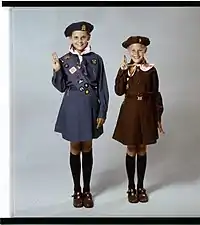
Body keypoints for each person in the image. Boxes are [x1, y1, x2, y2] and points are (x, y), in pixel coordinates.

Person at [51, 21, 109, 208]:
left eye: (83, 37)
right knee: (75, 147)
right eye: (76, 37)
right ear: (70, 39)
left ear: (89, 38)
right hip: (72, 107)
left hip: (91, 107)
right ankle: (77, 190)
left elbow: (103, 88)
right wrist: (57, 70)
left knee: (88, 147)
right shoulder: (64, 60)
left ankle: (87, 189)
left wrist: (102, 111)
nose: (80, 40)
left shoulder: (96, 59)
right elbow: (60, 87)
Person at [112, 36, 164, 203]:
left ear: (145, 50)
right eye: (133, 50)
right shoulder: (125, 69)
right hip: (130, 110)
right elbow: (119, 91)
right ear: (128, 51)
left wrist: (158, 117)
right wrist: (121, 71)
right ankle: (130, 187)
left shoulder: (151, 70)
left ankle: (141, 187)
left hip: (146, 111)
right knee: (131, 147)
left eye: (140, 50)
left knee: (142, 148)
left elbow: (156, 94)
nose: (136, 53)